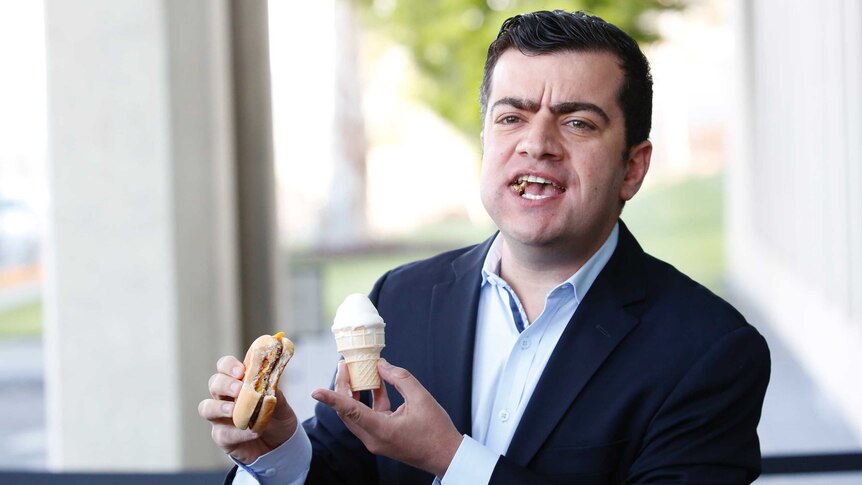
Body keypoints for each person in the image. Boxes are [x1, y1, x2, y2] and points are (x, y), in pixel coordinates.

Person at [199, 10, 770, 484]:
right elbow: (343, 474)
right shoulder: (400, 298)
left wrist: (452, 460)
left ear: (633, 169)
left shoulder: (710, 351)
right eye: (511, 116)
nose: (536, 144)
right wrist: (274, 452)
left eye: (577, 123)